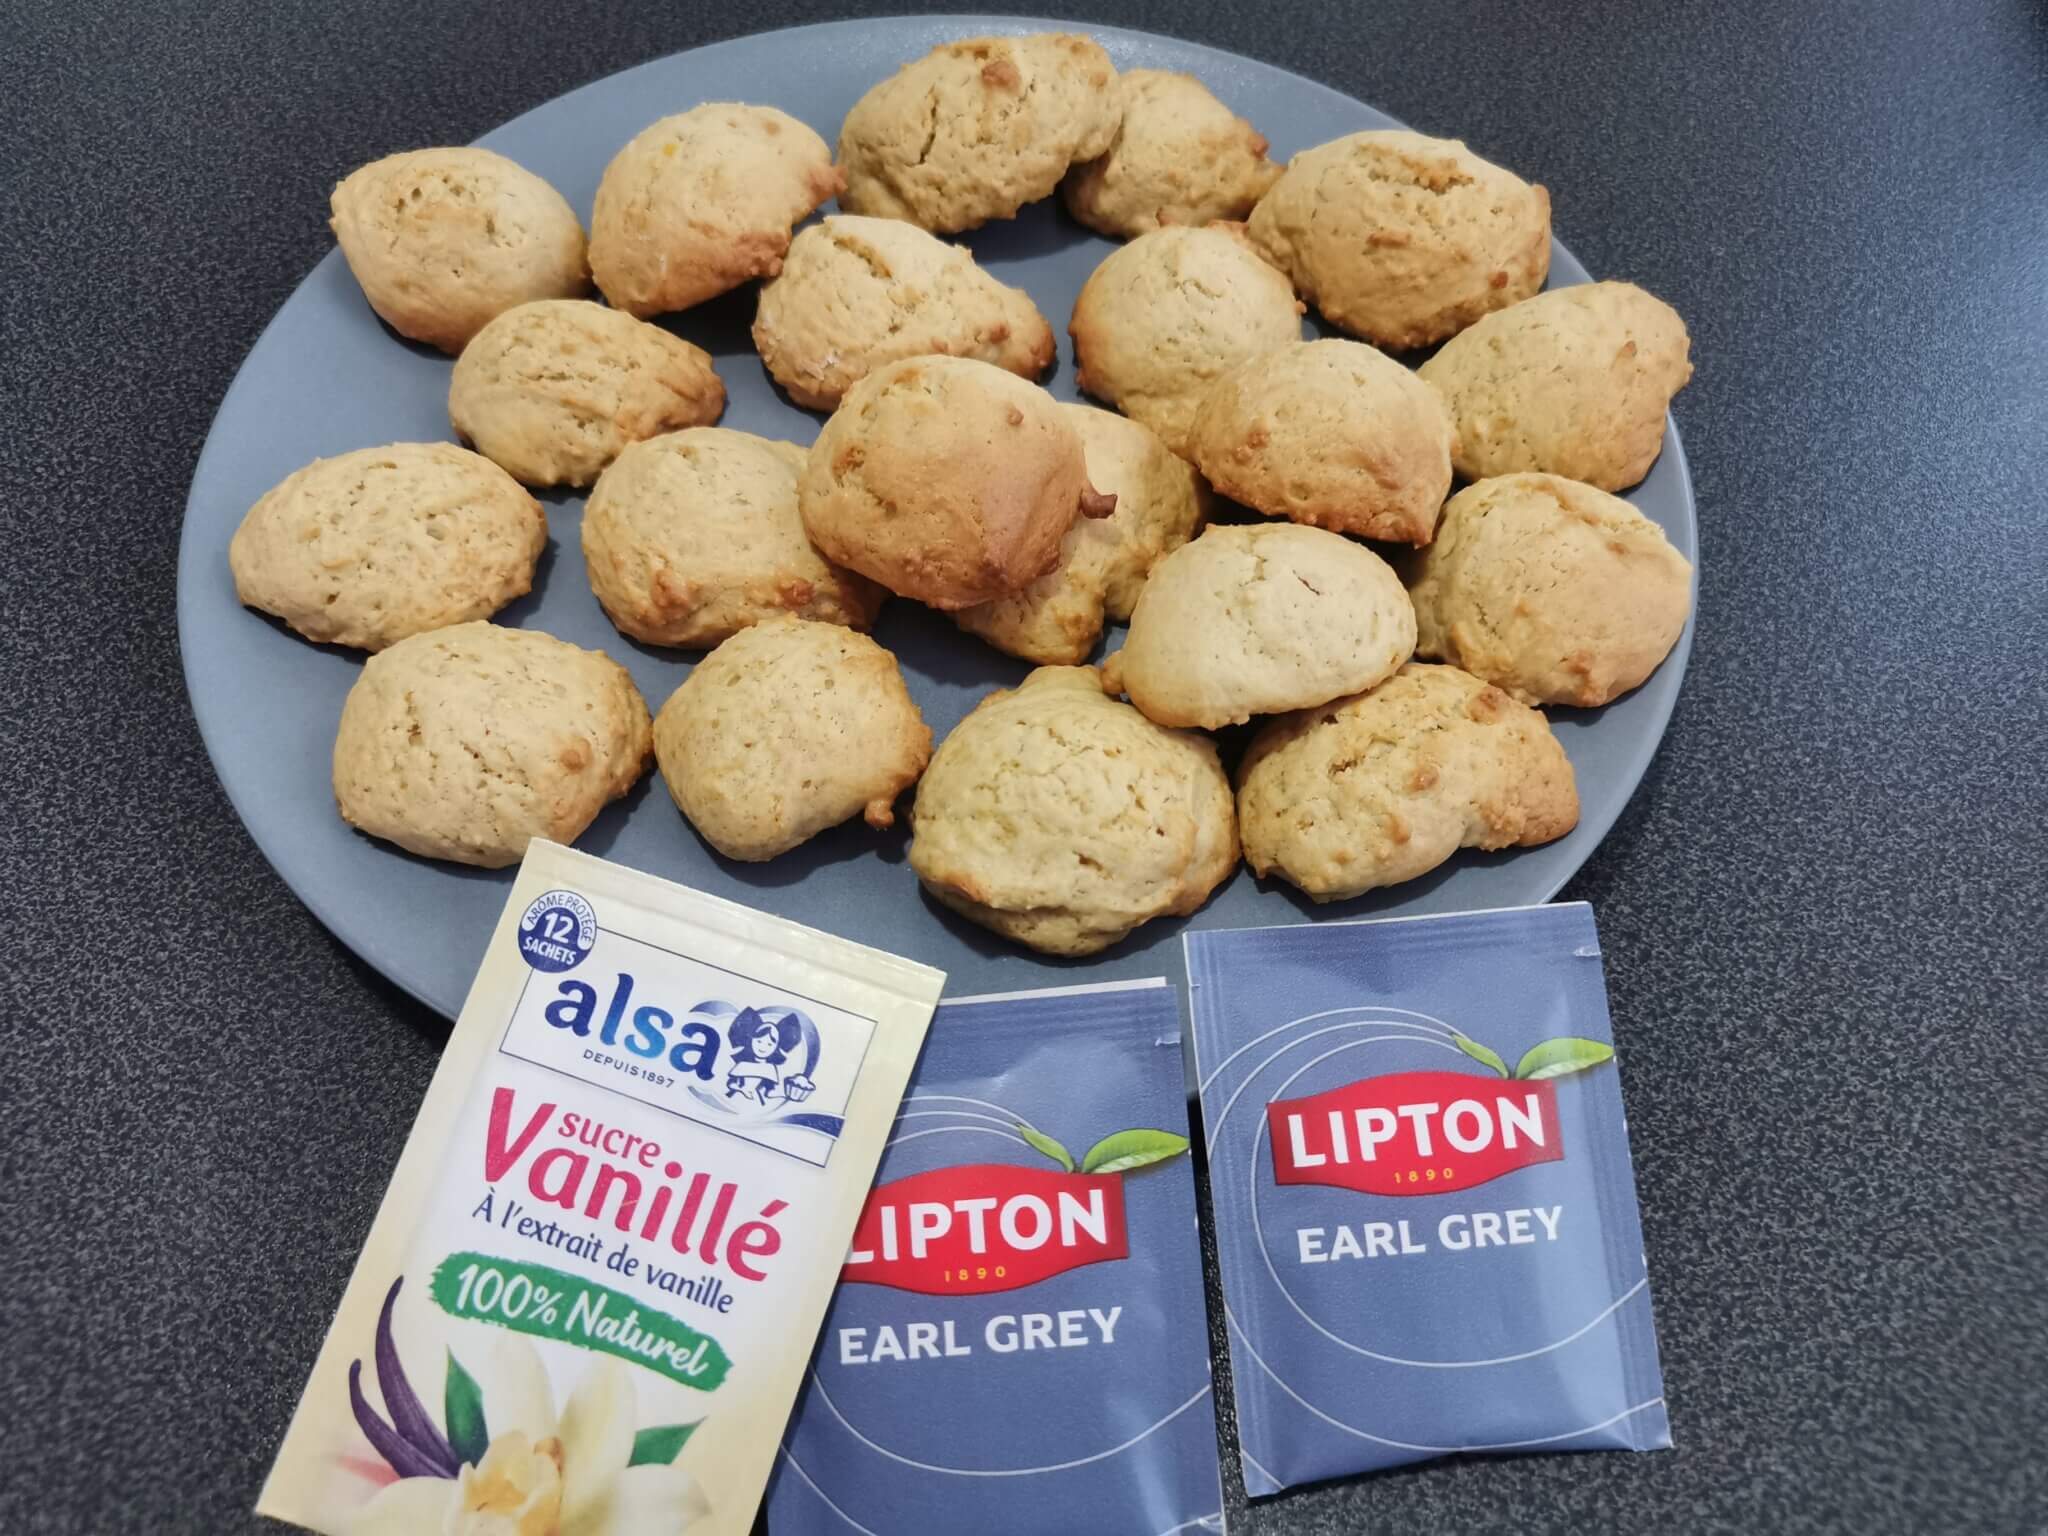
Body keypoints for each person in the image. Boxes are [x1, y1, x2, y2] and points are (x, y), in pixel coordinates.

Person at [724, 1009, 816, 1106]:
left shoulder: (770, 1069)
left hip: (757, 1103)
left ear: (776, 1047)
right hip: (734, 1099)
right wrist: (741, 1089)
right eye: (759, 1041)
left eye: (769, 1044)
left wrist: (784, 1095)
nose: (763, 1047)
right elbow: (731, 1083)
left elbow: (769, 1091)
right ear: (751, 1041)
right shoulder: (742, 1065)